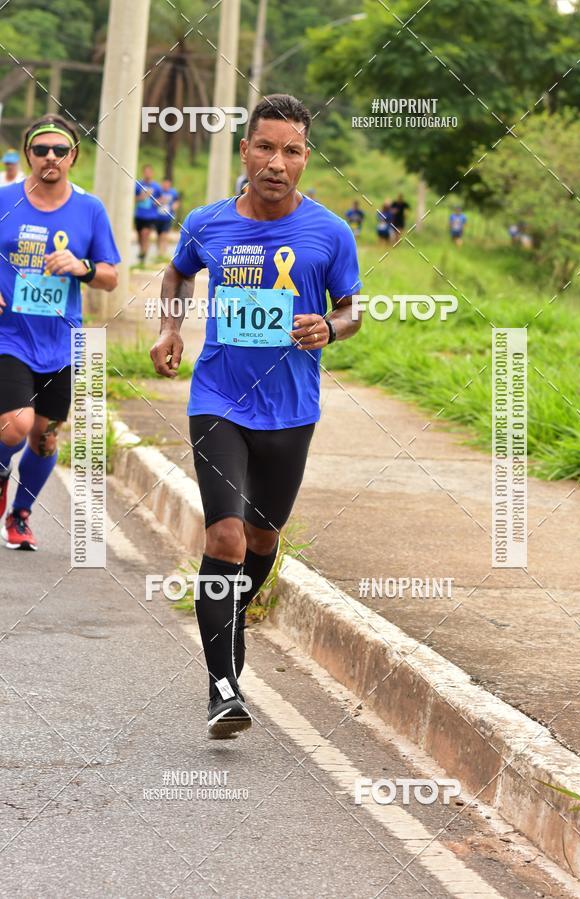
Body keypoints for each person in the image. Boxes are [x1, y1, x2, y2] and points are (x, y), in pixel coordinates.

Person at [150, 94, 362, 740]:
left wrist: (330, 325)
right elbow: (176, 274)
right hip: (218, 400)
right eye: (265, 147)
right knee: (226, 539)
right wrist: (169, 329)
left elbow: (354, 309)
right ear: (244, 151)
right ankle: (222, 685)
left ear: (304, 158)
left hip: (292, 411)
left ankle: (231, 613)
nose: (276, 162)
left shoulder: (330, 233)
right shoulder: (207, 223)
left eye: (291, 150)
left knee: (264, 540)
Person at [0, 114, 120, 551]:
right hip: (9, 334)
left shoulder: (90, 209)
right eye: (40, 150)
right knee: (16, 426)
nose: (50, 157)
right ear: (28, 153)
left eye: (59, 150)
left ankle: (21, 513)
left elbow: (110, 276)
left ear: (74, 155)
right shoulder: (4, 199)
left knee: (45, 438)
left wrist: (82, 268)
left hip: (63, 343)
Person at [134, 164, 161, 264]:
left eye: (149, 172)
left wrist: (158, 202)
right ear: (143, 172)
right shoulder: (138, 185)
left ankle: (144, 252)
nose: (148, 174)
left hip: (151, 215)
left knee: (145, 233)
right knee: (140, 235)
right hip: (139, 214)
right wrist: (142, 197)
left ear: (152, 173)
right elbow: (132, 199)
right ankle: (142, 252)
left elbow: (161, 198)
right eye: (146, 172)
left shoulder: (156, 186)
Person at [155, 177, 180, 258]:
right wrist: (160, 201)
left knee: (164, 234)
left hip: (168, 217)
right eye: (164, 183)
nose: (166, 185)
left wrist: (175, 206)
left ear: (170, 184)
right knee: (158, 235)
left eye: (167, 184)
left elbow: (177, 201)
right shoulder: (158, 191)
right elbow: (153, 202)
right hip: (158, 217)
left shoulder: (173, 192)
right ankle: (159, 252)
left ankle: (163, 252)